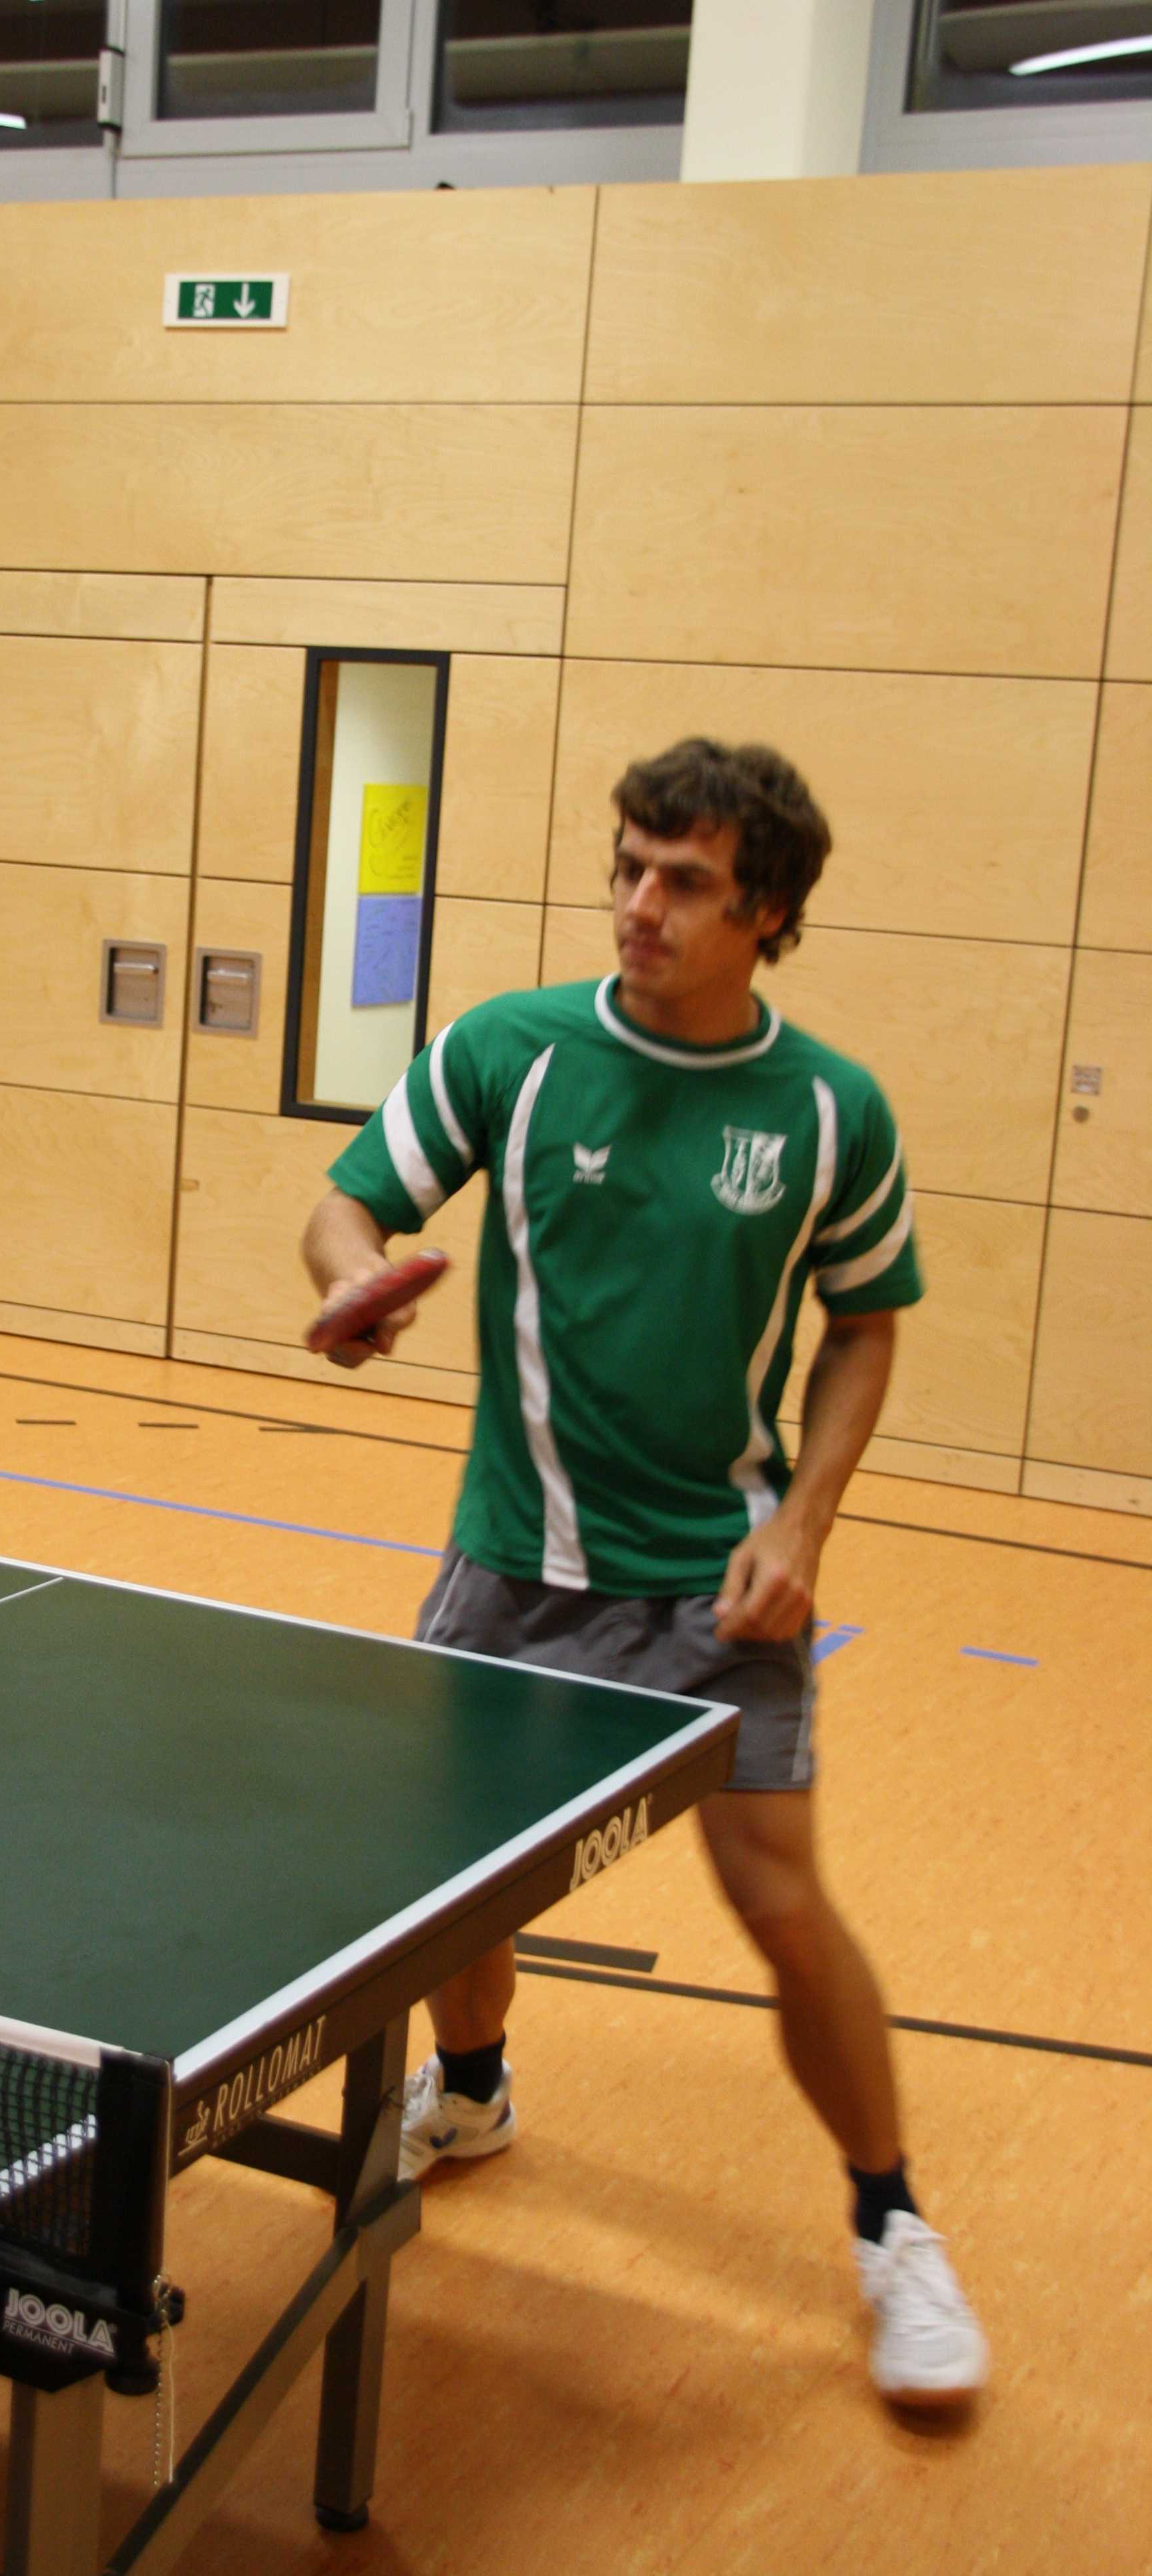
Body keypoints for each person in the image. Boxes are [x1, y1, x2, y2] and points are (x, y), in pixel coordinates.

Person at [300, 737, 988, 2411]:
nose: (639, 904)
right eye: (627, 868)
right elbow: (347, 1203)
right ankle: (475, 2089)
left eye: (683, 881)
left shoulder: (831, 1110)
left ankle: (894, 2228)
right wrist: (351, 1283)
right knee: (459, 1896)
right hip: (515, 1565)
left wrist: (802, 1524)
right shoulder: (513, 1050)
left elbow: (866, 1324)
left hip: (715, 1582)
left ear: (768, 913)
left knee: (782, 1906)